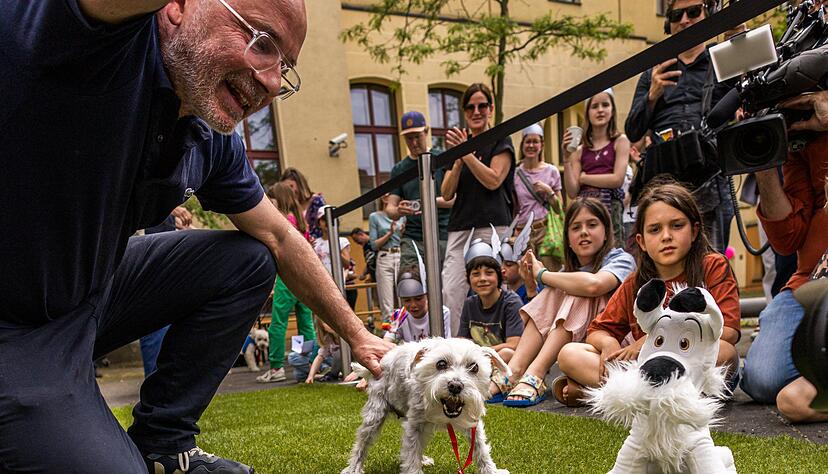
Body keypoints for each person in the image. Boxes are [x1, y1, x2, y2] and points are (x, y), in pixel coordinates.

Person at [0, 2, 392, 472]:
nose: (271, 81)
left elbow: (282, 239)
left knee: (250, 259)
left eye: (284, 67)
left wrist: (359, 336)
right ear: (179, 7)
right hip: (16, 328)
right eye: (262, 42)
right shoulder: (99, 40)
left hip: (88, 292)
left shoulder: (209, 137)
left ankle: (165, 442)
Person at [556, 182, 741, 407]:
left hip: (695, 370)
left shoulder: (712, 265)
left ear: (694, 231)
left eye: (676, 226)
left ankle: (609, 395)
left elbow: (728, 332)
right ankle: (646, 400)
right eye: (655, 229)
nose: (666, 236)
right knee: (569, 353)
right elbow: (597, 331)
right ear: (641, 242)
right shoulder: (634, 283)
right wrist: (608, 344)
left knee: (726, 352)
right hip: (646, 370)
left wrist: (648, 342)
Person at [489, 199, 635, 407]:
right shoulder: (566, 272)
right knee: (558, 288)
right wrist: (533, 286)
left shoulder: (621, 259)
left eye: (592, 225)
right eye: (576, 228)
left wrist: (543, 275)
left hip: (613, 348)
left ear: (606, 232)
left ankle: (536, 373)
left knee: (578, 290)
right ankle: (514, 372)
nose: (584, 232)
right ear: (567, 238)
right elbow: (545, 318)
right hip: (582, 350)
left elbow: (594, 285)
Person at [740, 90, 828, 424]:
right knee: (762, 378)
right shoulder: (801, 132)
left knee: (791, 398)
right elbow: (788, 238)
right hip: (810, 279)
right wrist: (763, 165)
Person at [624, 0, 735, 253]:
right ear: (668, 22)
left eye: (693, 11)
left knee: (711, 263)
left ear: (708, 14)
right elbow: (632, 130)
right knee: (665, 264)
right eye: (676, 14)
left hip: (711, 177)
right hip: (664, 183)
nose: (685, 19)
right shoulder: (655, 71)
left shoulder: (721, 58)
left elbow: (749, 94)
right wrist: (652, 95)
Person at [441, 83, 516, 335]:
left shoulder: (500, 140)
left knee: (497, 286)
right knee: (451, 289)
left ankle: (506, 344)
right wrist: (460, 160)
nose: (476, 111)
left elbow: (494, 179)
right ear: (464, 111)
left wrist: (466, 153)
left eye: (482, 105)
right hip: (461, 225)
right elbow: (446, 192)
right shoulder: (459, 146)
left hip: (493, 225)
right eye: (470, 107)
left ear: (490, 109)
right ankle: (456, 349)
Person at [257, 183, 316, 384]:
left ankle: (276, 367)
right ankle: (307, 362)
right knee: (305, 323)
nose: (269, 203)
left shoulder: (283, 220)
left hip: (287, 278)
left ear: (279, 200)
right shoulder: (301, 222)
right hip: (304, 277)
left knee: (278, 324)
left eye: (271, 200)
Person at [385, 110, 453, 270]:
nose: (414, 143)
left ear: (426, 132)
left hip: (445, 234)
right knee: (410, 285)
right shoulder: (399, 169)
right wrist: (399, 210)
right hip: (413, 238)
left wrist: (426, 202)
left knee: (448, 290)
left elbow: (454, 199)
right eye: (409, 138)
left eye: (417, 136)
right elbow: (390, 209)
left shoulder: (443, 158)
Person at [563, 89, 630, 247]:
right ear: (587, 113)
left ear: (612, 110)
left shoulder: (620, 141)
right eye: (594, 106)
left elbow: (617, 179)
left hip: (611, 211)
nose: (600, 110)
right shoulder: (580, 150)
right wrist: (566, 159)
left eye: (605, 105)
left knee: (613, 254)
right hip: (585, 211)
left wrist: (585, 178)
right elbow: (573, 191)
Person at [139, 206, 194, 378]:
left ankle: (167, 381)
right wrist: (171, 208)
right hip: (151, 258)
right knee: (155, 324)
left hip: (164, 251)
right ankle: (157, 382)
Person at [513, 123, 563, 270]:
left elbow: (559, 208)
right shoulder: (515, 174)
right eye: (528, 141)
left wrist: (549, 191)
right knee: (526, 277)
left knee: (551, 277)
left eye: (535, 141)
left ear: (541, 145)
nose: (531, 145)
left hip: (546, 232)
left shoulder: (551, 171)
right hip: (523, 233)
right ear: (522, 145)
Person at [458, 253, 524, 363]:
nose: (482, 279)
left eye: (489, 273)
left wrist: (478, 352)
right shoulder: (469, 304)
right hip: (476, 361)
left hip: (503, 362)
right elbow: (461, 341)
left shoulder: (511, 302)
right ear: (468, 279)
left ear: (499, 277)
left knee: (506, 353)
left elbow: (514, 344)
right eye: (476, 274)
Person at [383, 269, 451, 343]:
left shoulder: (442, 313)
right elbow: (387, 341)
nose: (413, 305)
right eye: (407, 300)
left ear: (427, 295)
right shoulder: (399, 315)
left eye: (418, 299)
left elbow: (446, 344)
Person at [369, 194, 406, 325]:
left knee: (403, 295)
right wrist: (389, 233)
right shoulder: (375, 217)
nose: (387, 196)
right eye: (384, 194)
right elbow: (373, 244)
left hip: (401, 254)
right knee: (387, 301)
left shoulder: (403, 216)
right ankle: (389, 332)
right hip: (385, 256)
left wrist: (402, 232)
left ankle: (405, 330)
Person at [281, 167, 327, 241]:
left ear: (300, 185)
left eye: (291, 186)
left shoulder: (316, 202)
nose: (289, 191)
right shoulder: (287, 208)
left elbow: (324, 228)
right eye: (285, 188)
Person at [305, 316, 342, 384]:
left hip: (353, 364)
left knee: (338, 353)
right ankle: (328, 371)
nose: (329, 324)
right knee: (298, 373)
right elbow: (320, 357)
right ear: (322, 326)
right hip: (336, 364)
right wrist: (311, 376)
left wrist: (355, 373)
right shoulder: (328, 338)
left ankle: (329, 371)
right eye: (325, 323)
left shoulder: (345, 334)